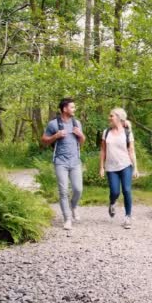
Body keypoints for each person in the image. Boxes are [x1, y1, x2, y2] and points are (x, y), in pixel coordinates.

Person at [41, 98, 86, 230]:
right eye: (72, 107)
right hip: (60, 162)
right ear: (65, 109)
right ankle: (67, 219)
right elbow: (44, 140)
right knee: (63, 191)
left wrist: (81, 134)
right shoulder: (53, 124)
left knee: (78, 189)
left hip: (75, 162)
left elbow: (82, 141)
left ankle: (73, 206)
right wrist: (55, 136)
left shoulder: (76, 123)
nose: (74, 109)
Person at [99, 108, 139, 229]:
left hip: (125, 165)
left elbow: (131, 151)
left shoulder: (127, 132)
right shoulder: (106, 132)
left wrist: (135, 168)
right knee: (115, 192)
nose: (109, 118)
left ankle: (128, 217)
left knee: (126, 190)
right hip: (111, 168)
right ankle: (112, 203)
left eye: (111, 116)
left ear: (118, 118)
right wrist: (101, 167)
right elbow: (103, 150)